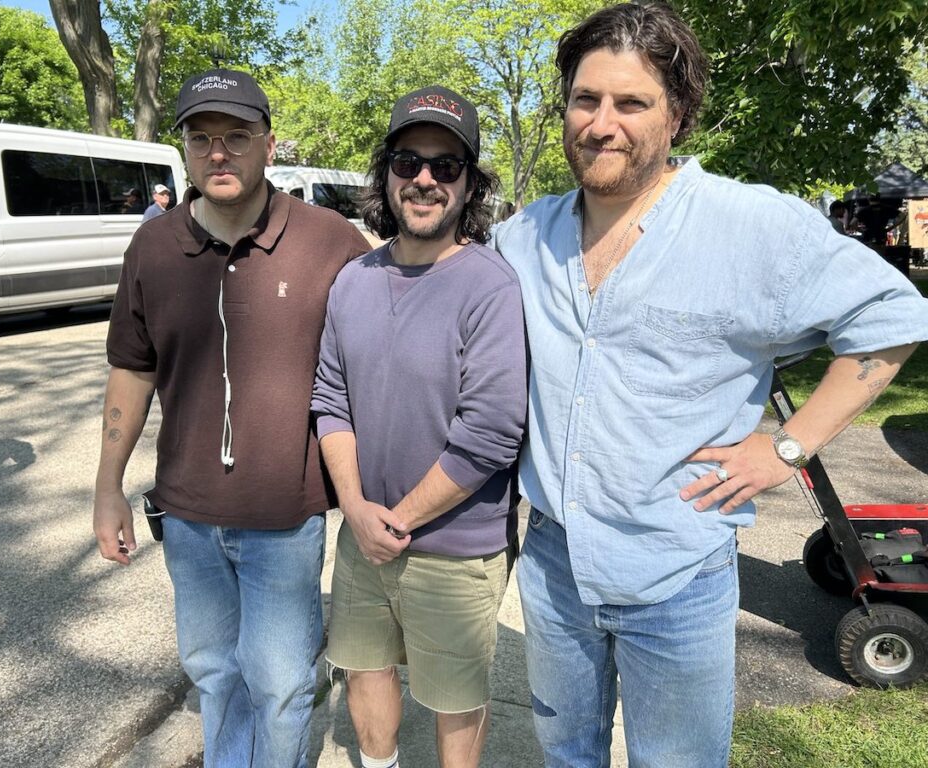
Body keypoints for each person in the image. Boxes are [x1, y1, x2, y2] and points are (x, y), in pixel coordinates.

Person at [490, 4, 928, 766]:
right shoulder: (524, 236)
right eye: (586, 99)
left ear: (678, 115)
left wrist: (787, 446)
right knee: (566, 756)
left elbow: (892, 316)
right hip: (555, 564)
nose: (601, 124)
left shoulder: (751, 226)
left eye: (631, 103)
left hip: (678, 571)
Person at [92, 68, 369, 768]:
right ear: (184, 149)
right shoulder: (152, 247)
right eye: (201, 137)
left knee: (281, 686)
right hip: (187, 519)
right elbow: (132, 368)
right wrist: (107, 487)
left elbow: (378, 357)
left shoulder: (330, 241)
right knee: (216, 677)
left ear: (268, 145)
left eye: (237, 136)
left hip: (284, 519)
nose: (218, 152)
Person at [312, 85, 526, 768]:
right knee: (363, 669)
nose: (425, 179)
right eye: (408, 162)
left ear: (470, 184)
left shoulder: (491, 287)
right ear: (386, 175)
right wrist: (356, 509)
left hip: (456, 546)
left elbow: (491, 432)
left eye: (446, 165)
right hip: (363, 534)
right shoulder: (353, 280)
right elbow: (330, 398)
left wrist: (396, 521)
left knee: (455, 698)